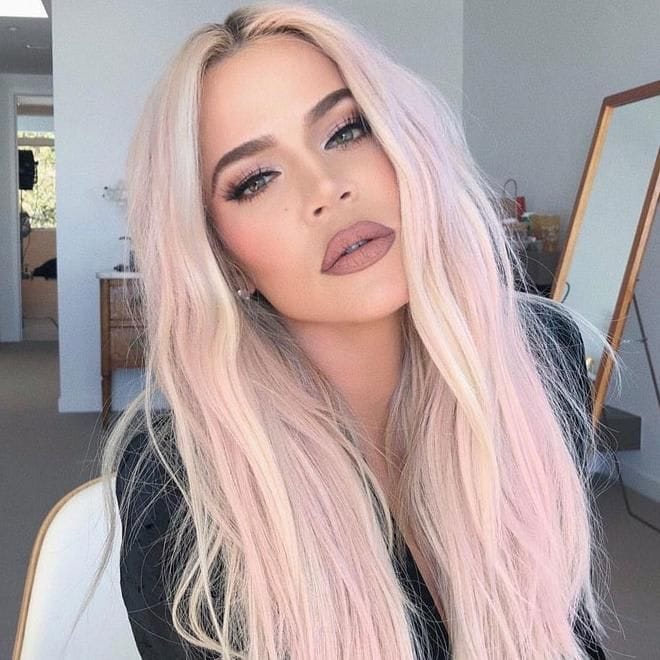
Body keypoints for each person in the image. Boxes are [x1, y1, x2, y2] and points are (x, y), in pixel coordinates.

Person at [91, 2, 618, 658]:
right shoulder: (180, 483)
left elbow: (567, 629)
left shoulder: (537, 353)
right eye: (255, 180)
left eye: (346, 130)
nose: (327, 189)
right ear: (223, 257)